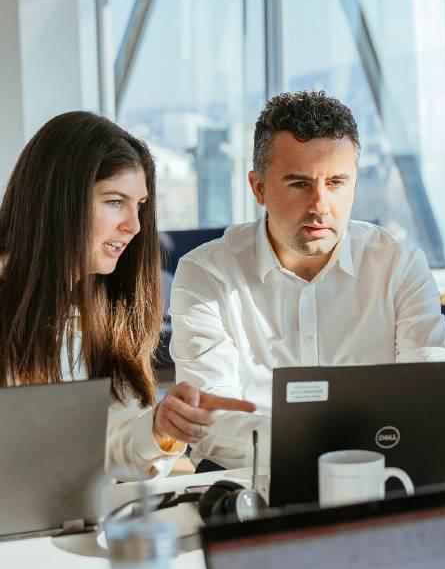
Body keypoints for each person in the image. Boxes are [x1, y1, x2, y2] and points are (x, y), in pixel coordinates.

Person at [169, 90, 445, 470]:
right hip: (249, 478)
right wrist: (336, 445)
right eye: (299, 183)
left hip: (376, 476)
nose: (321, 205)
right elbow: (213, 416)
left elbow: (430, 387)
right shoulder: (207, 274)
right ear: (258, 187)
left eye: (337, 182)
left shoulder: (399, 266)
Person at [0, 111, 255, 479]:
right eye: (114, 201)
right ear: (58, 200)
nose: (133, 226)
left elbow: (105, 450)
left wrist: (158, 428)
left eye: (139, 206)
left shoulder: (105, 309)